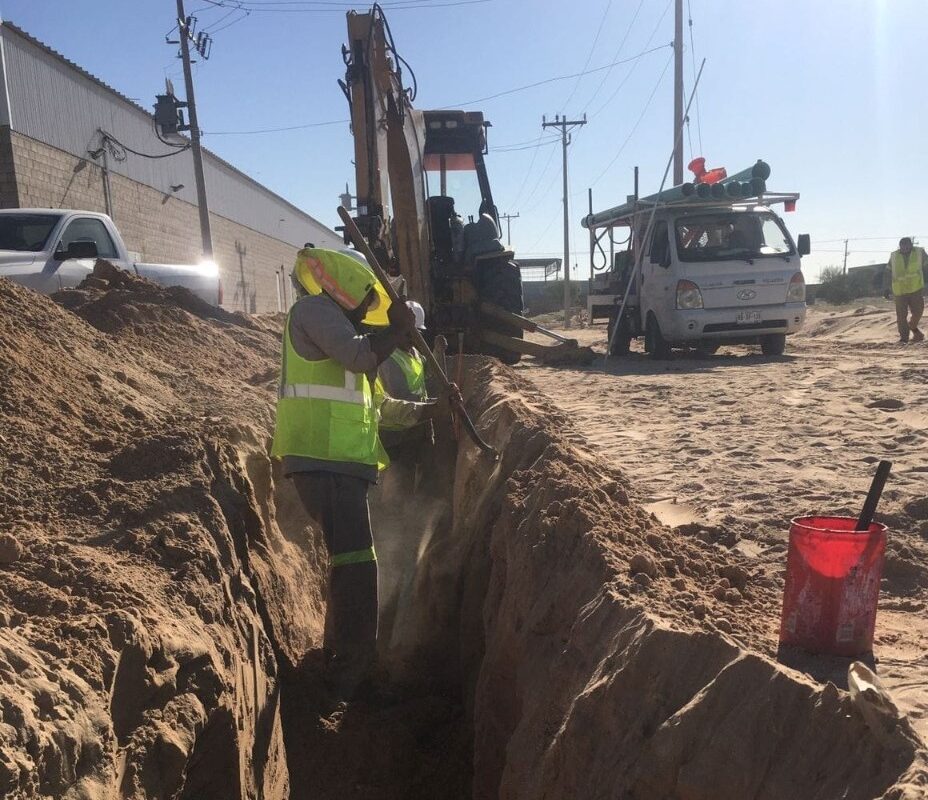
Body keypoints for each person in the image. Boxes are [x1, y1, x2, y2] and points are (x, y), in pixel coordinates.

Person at [271, 247, 456, 699]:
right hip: (323, 459)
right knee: (357, 564)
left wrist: (435, 410)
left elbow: (383, 410)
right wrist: (397, 330)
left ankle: (344, 655)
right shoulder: (313, 312)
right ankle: (352, 671)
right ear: (345, 286)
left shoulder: (345, 331)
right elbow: (359, 356)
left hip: (343, 465)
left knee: (350, 562)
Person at [884, 237, 926, 343]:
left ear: (911, 245)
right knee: (901, 316)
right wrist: (886, 288)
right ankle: (904, 338)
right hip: (899, 291)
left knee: (918, 312)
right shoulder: (894, 256)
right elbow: (887, 272)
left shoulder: (920, 252)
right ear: (900, 246)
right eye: (903, 246)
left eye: (907, 245)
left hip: (915, 289)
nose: (905, 247)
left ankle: (913, 328)